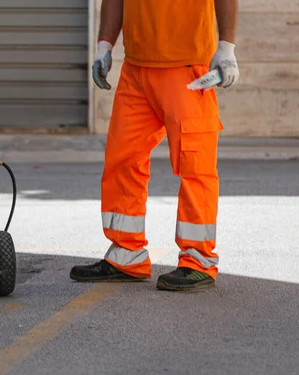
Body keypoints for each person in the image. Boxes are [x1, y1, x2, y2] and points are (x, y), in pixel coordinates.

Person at [70, 0, 239, 291]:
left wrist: (226, 47)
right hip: (136, 69)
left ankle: (198, 260)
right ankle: (126, 253)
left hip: (187, 67)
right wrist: (105, 45)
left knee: (194, 165)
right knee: (122, 159)